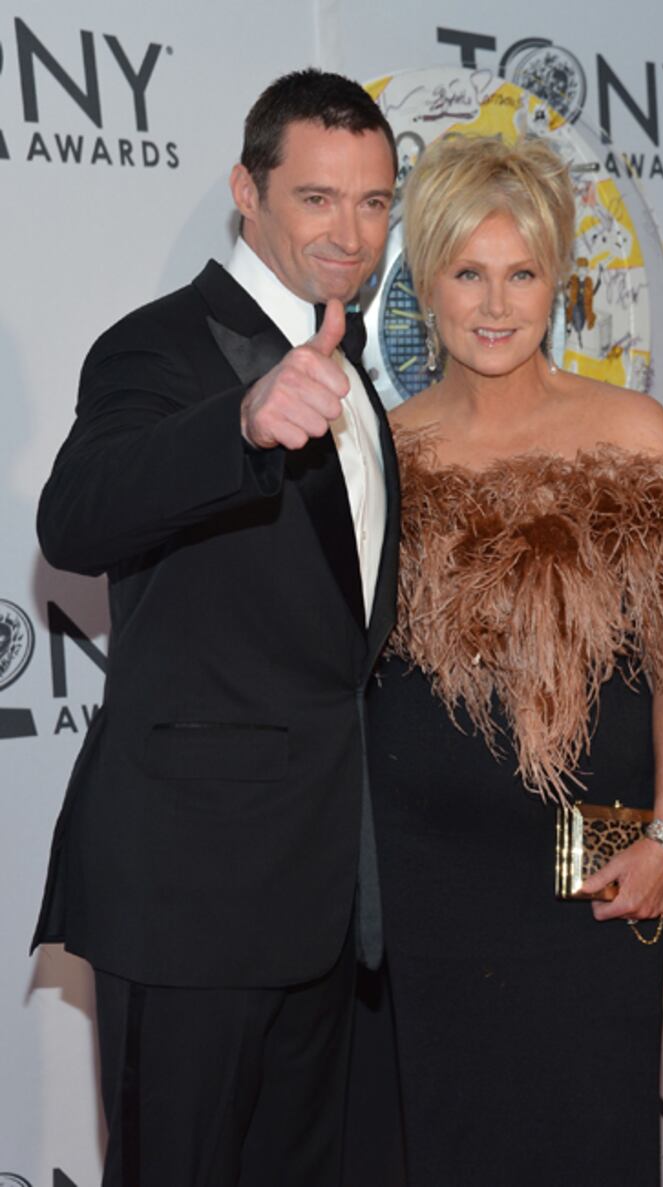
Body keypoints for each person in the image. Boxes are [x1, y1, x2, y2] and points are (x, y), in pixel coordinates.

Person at [356, 136, 663, 1186]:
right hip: (421, 876)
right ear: (425, 284)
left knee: (585, 1136)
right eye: (467, 271)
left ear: (559, 281)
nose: (494, 303)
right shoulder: (382, 446)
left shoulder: (629, 431)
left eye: (521, 272)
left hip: (585, 868)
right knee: (436, 1141)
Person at [31, 68, 399, 1187]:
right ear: (247, 190)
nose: (351, 230)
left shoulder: (353, 366)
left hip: (327, 890)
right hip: (192, 892)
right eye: (317, 198)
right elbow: (78, 514)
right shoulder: (161, 346)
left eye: (375, 201)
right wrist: (237, 423)